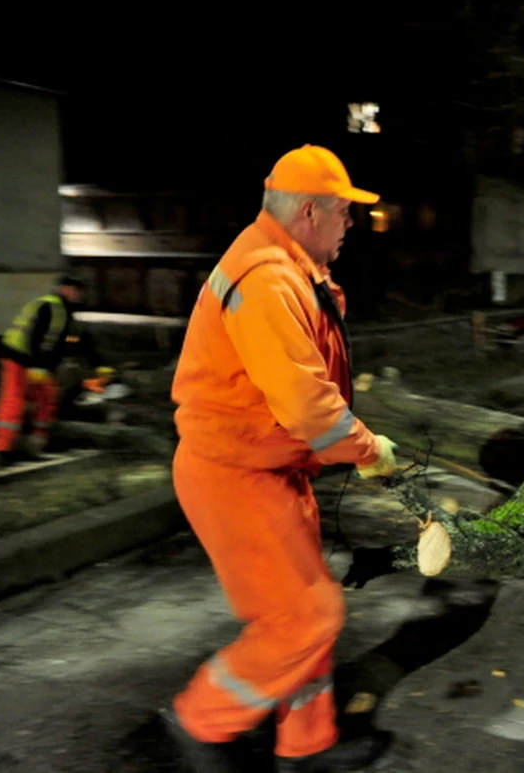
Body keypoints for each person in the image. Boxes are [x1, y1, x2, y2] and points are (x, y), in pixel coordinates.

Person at [161, 145, 399, 773]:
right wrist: (369, 451)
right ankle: (200, 720)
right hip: (234, 473)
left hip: (265, 466)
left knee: (307, 609)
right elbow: (307, 404)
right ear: (309, 212)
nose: (352, 224)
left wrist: (352, 447)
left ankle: (307, 743)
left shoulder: (287, 269)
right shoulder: (267, 279)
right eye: (345, 213)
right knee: (306, 616)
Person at [0, 274, 112, 465]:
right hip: (18, 359)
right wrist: (37, 366)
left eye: (80, 292)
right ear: (64, 289)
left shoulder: (66, 313)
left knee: (47, 399)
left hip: (37, 364)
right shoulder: (50, 307)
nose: (78, 295)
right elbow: (37, 337)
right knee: (14, 400)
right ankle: (0, 448)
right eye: (76, 291)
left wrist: (100, 365)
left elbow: (80, 342)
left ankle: (37, 441)